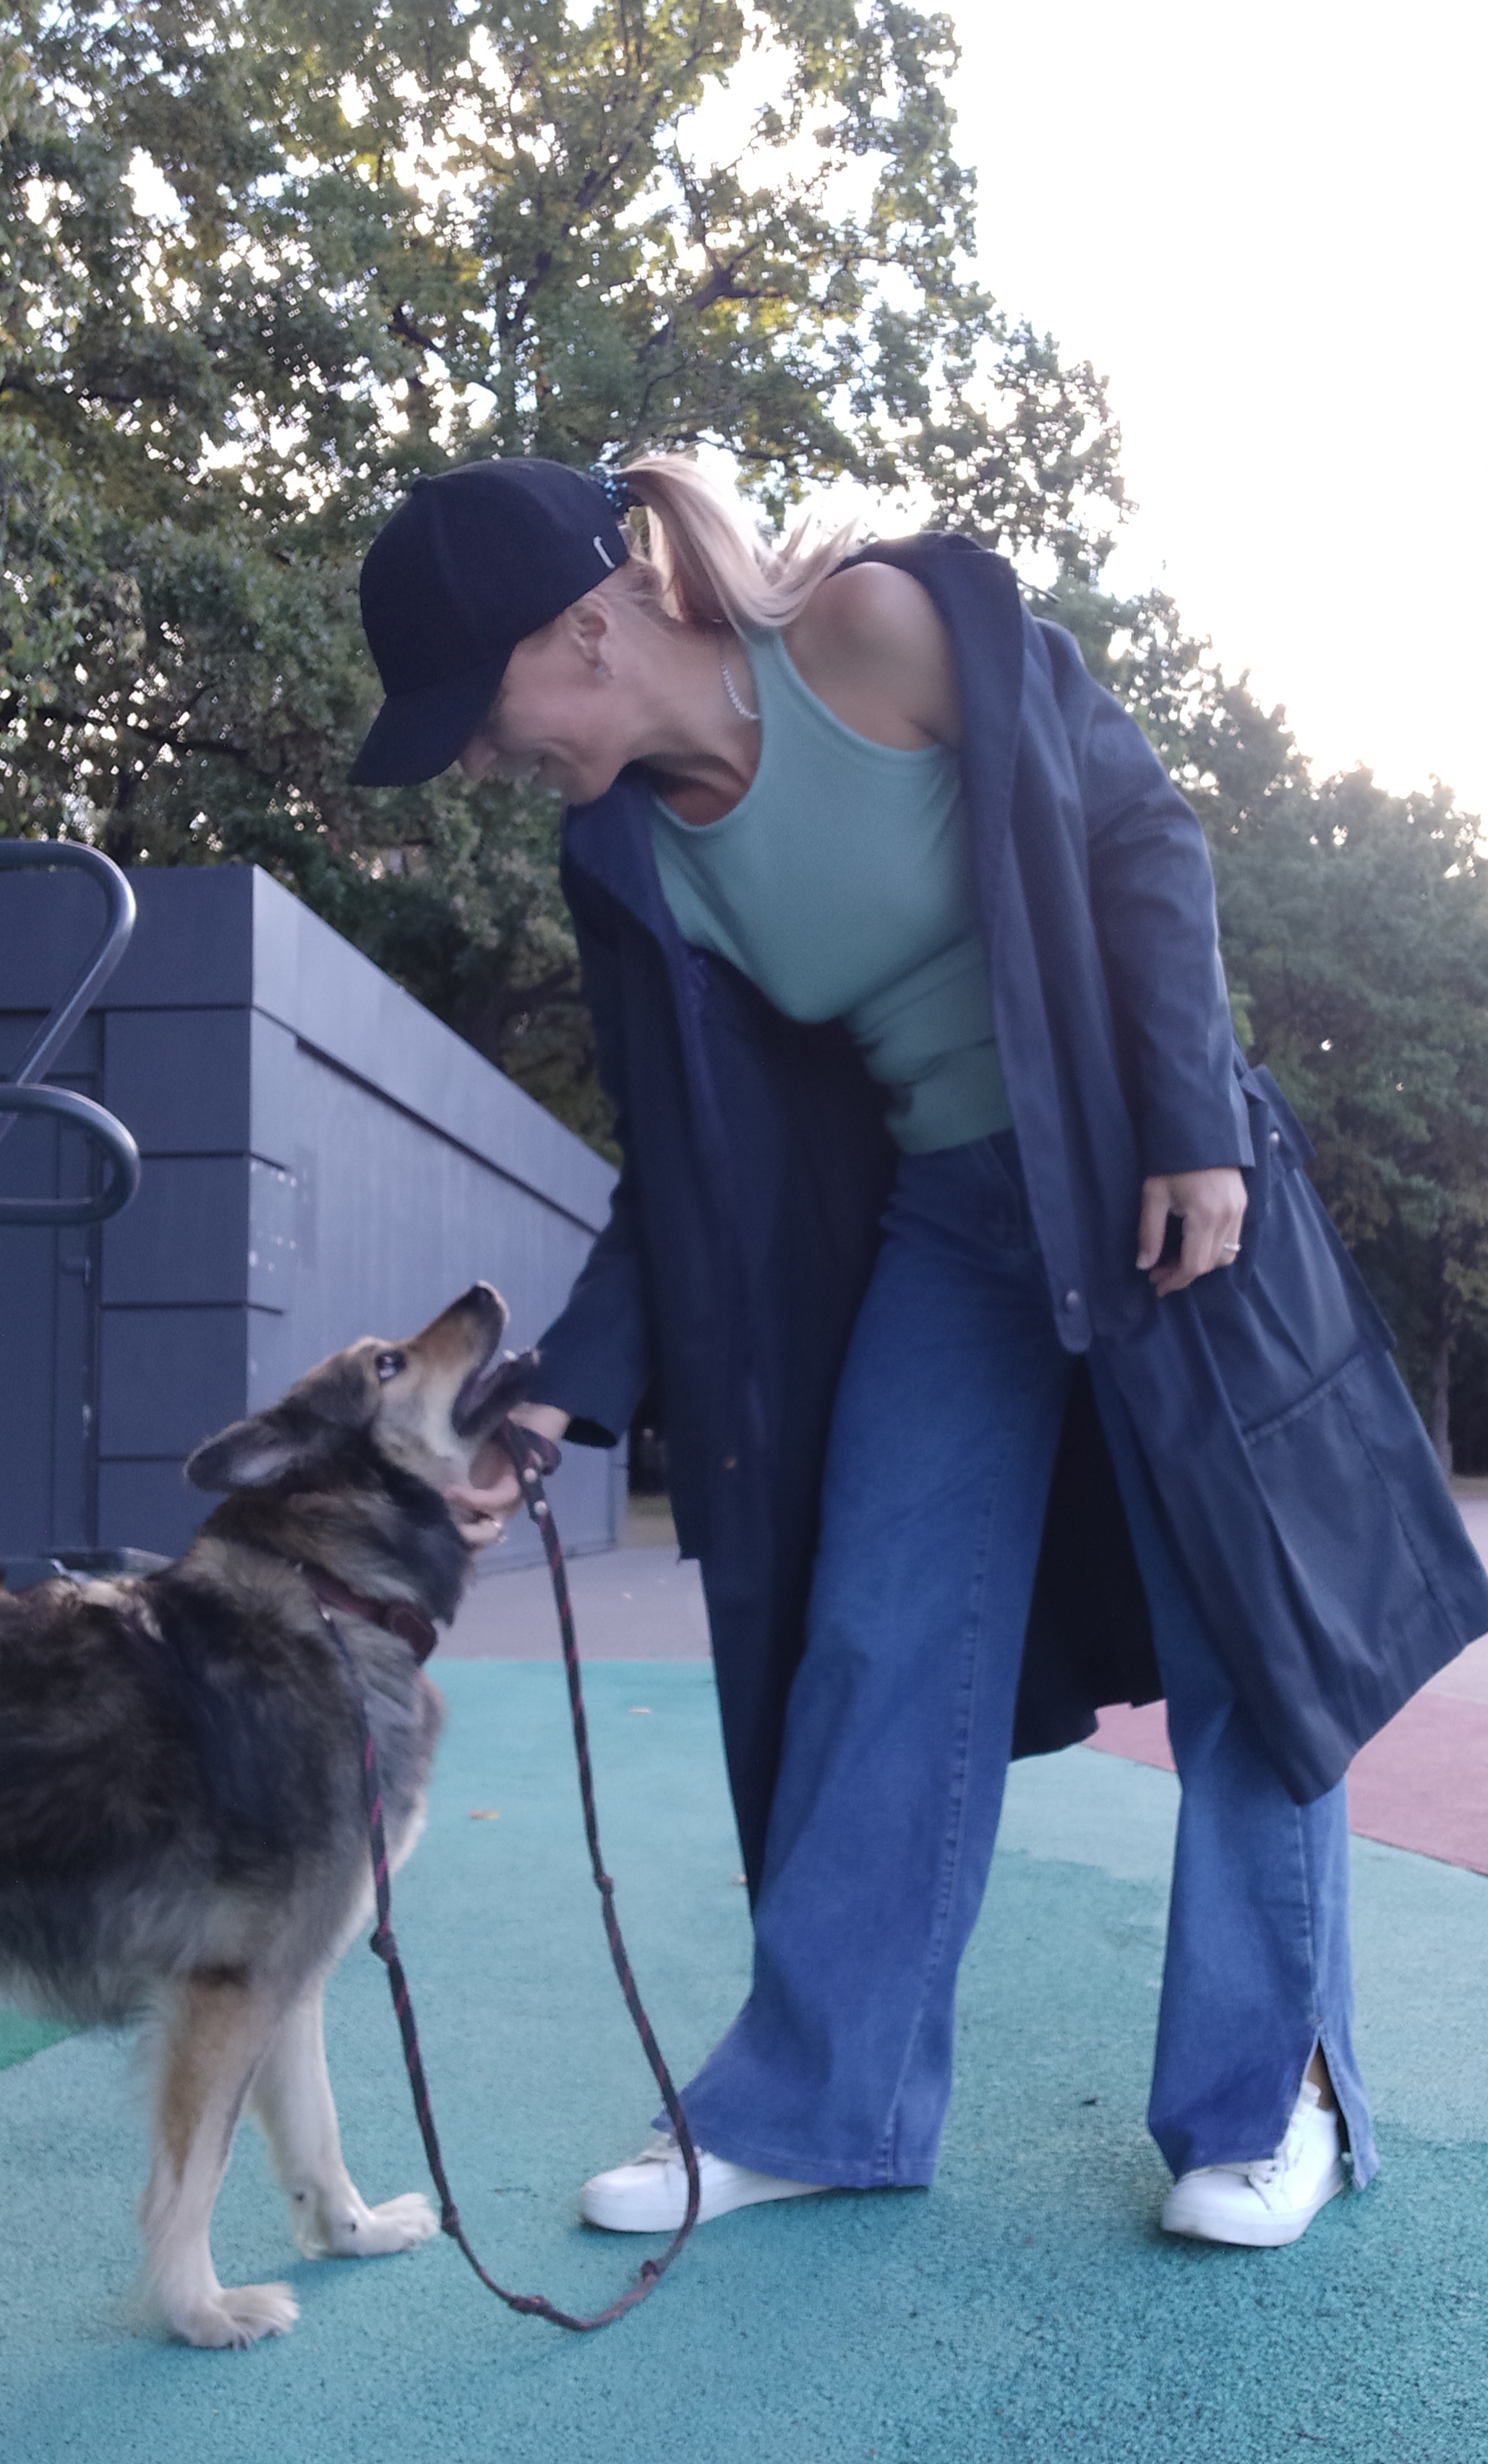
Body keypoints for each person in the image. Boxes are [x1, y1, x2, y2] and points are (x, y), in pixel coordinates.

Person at [350, 454, 1488, 2249]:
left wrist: (1195, 1117)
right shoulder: (624, 853)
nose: (483, 763)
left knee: (1238, 1639)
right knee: (877, 1630)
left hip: (1150, 1181)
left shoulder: (875, 629)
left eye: (477, 718)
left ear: (582, 632)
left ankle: (1272, 2101)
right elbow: (681, 1160)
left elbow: (1139, 833)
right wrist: (561, 1389)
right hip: (952, 1227)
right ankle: (822, 2102)